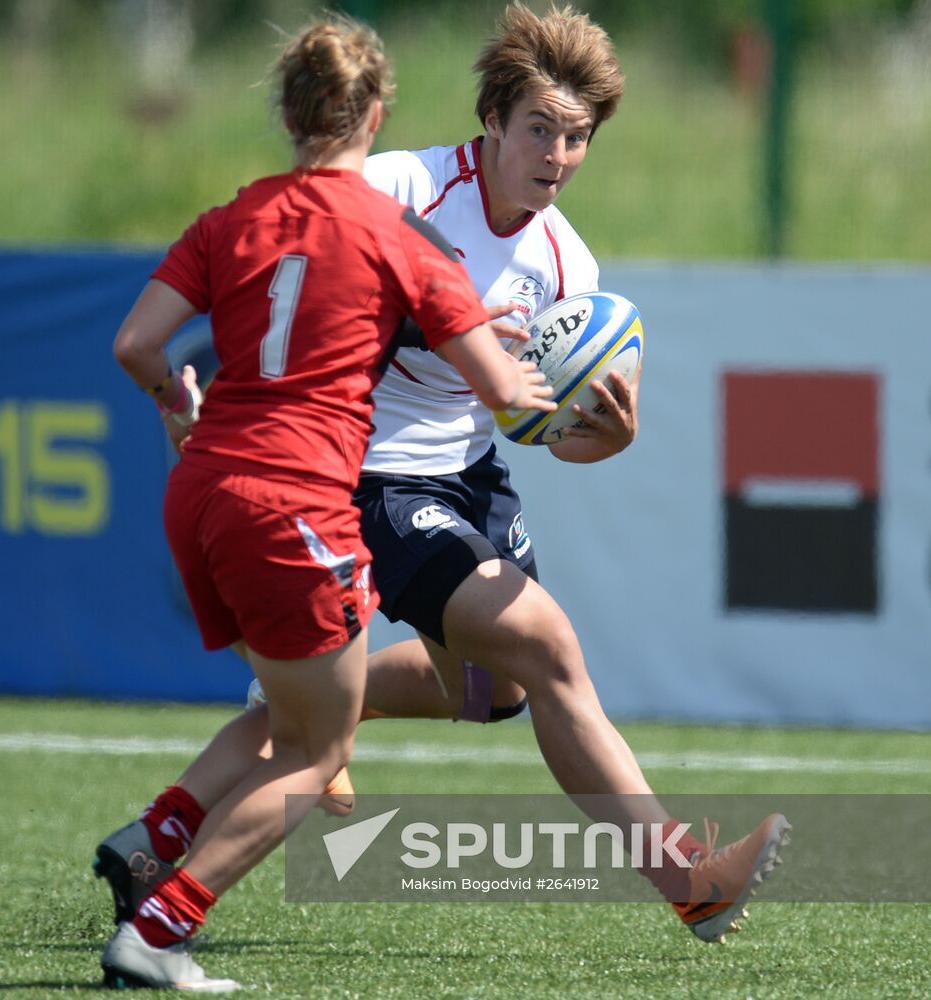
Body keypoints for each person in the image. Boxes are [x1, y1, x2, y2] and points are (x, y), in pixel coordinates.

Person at [97, 1, 790, 960]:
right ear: (493, 121)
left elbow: (544, 429)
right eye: (539, 128)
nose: (555, 154)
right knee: (550, 652)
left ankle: (240, 766)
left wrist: (608, 436)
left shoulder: (564, 261)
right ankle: (690, 883)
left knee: (495, 694)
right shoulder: (396, 188)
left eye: (577, 136)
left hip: (470, 475)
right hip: (367, 475)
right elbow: (310, 296)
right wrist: (432, 326)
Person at [98, 13, 554, 991]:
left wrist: (182, 406)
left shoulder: (231, 217)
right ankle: (158, 929)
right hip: (294, 499)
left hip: (203, 489)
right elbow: (504, 390)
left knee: (290, 721)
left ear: (288, 112)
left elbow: (137, 346)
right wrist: (577, 380)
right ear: (377, 114)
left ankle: (158, 833)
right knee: (319, 753)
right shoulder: (400, 235)